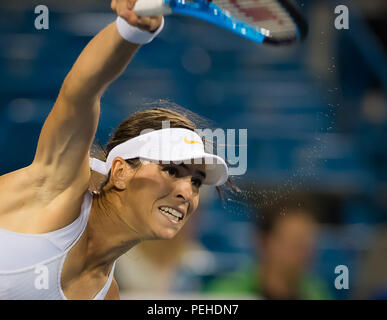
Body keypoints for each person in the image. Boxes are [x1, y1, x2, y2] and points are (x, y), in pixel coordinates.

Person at [0, 0, 229, 300]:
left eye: (196, 182)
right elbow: (80, 93)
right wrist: (130, 31)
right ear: (120, 171)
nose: (187, 192)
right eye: (172, 171)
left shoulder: (107, 295)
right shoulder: (56, 188)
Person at [204, 196, 332, 300]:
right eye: (294, 241)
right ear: (264, 242)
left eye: (308, 241)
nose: (304, 250)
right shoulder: (225, 294)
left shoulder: (318, 293)